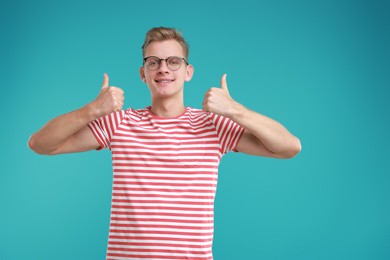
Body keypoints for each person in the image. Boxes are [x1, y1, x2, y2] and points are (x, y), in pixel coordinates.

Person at [28, 27, 301, 260]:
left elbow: (289, 147)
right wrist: (93, 110)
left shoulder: (214, 127)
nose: (163, 69)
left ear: (188, 71)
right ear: (143, 73)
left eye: (173, 61)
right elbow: (41, 144)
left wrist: (234, 110)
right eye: (153, 62)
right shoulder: (120, 124)